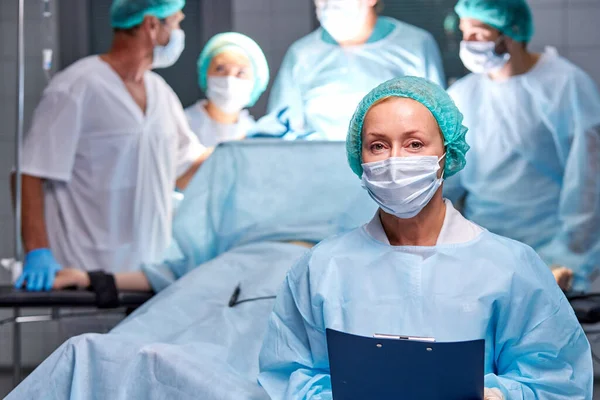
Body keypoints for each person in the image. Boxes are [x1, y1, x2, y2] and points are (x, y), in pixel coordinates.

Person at [258, 77, 592, 399]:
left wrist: (498, 396)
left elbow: (556, 379)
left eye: (414, 144)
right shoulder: (321, 269)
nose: (395, 160)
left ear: (446, 153)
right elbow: (288, 375)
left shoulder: (510, 267)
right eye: (378, 145)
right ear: (359, 158)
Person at [14, 0, 213, 292]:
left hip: (148, 281)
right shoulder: (76, 87)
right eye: (176, 22)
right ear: (152, 25)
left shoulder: (162, 94)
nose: (179, 34)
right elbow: (29, 173)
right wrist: (37, 250)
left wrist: (245, 147)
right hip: (84, 280)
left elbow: (183, 170)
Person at [444, 0, 600, 292]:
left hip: (551, 251)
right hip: (482, 249)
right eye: (464, 34)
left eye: (477, 34)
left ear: (511, 33)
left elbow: (587, 184)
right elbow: (449, 180)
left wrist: (569, 258)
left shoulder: (566, 85)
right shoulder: (463, 94)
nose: (468, 44)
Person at [267, 0, 446, 140]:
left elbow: (440, 123)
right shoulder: (302, 54)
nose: (329, 4)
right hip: (318, 170)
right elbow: (279, 129)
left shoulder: (414, 45)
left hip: (395, 171)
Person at [185, 32, 270, 147]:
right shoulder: (181, 125)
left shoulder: (253, 135)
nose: (229, 80)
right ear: (205, 73)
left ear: (255, 83)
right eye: (220, 69)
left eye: (241, 72)